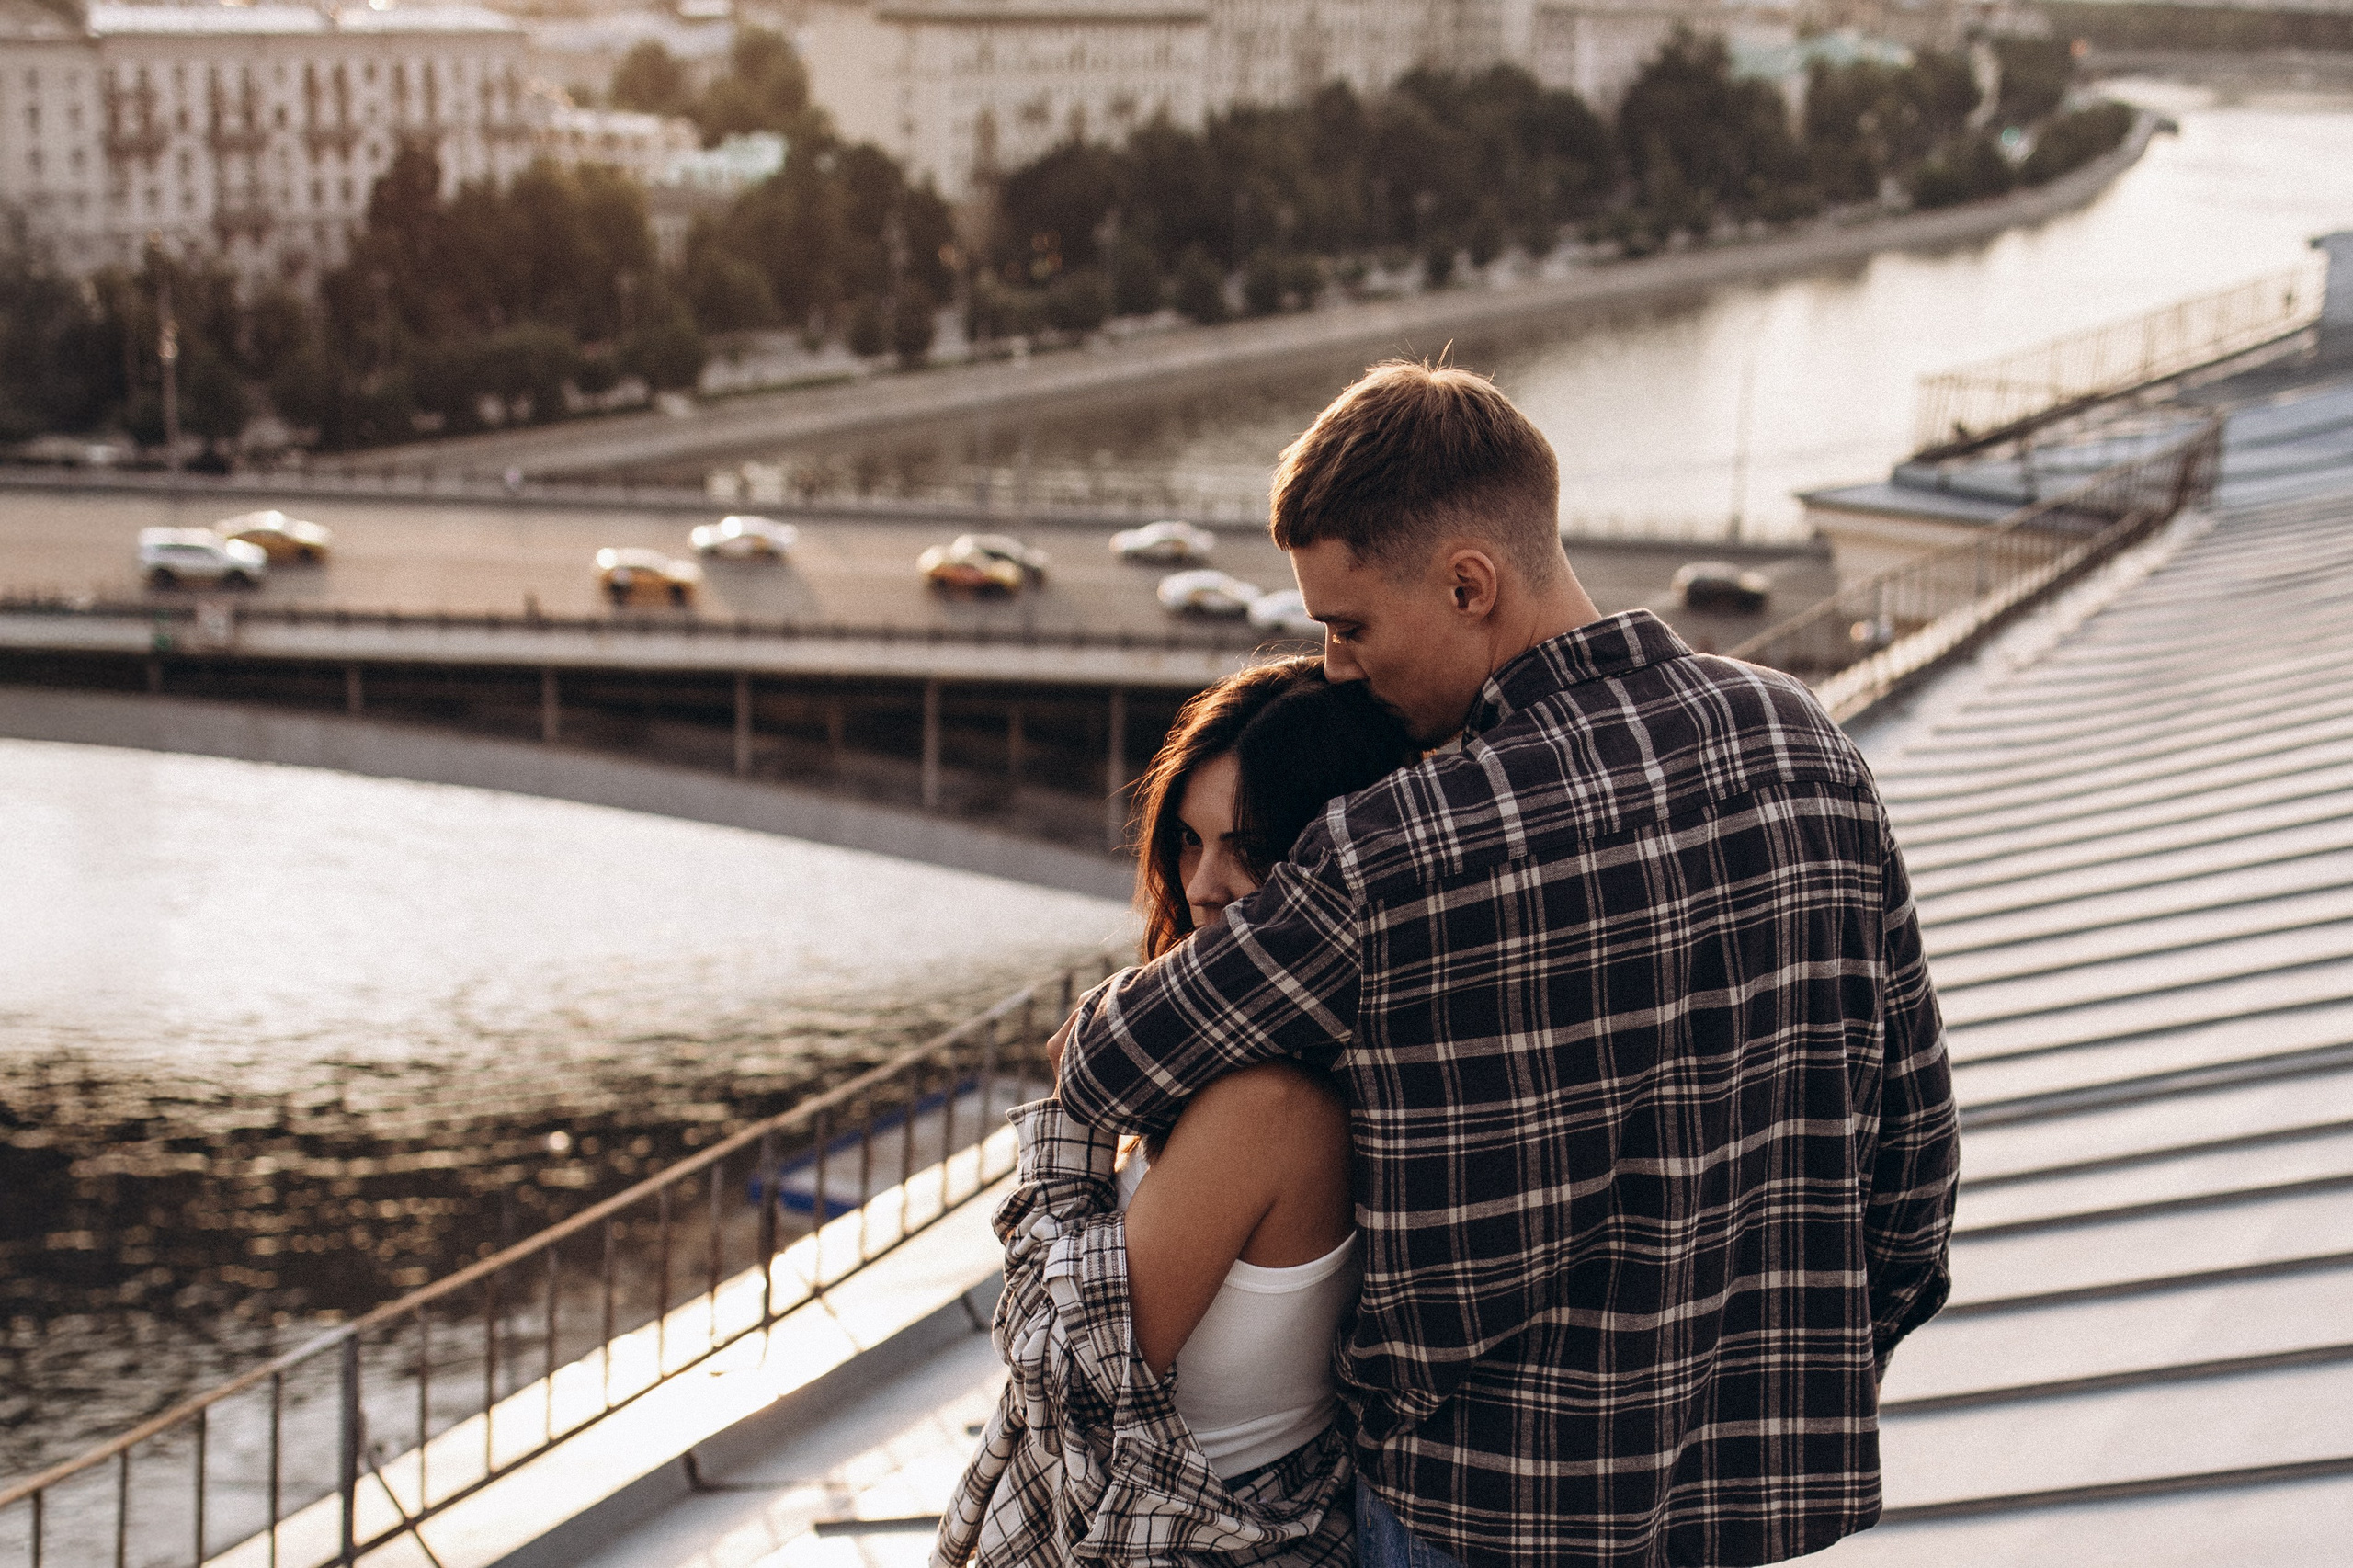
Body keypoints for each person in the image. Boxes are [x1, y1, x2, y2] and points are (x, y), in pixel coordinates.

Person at [1052, 362, 1961, 1567]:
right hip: (1745, 1507)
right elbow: (1912, 1172)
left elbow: (1107, 1058)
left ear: (1468, 584)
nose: (1335, 665)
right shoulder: (1808, 747)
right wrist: (1781, 1403)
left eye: (1348, 624)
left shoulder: (1402, 846)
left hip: (1481, 1513)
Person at [935, 658, 1424, 1568]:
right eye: (1189, 843)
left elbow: (1060, 1369)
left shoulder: (1266, 1106)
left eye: (1250, 847)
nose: (1203, 883)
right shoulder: (1311, 1070)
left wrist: (1071, 1124)